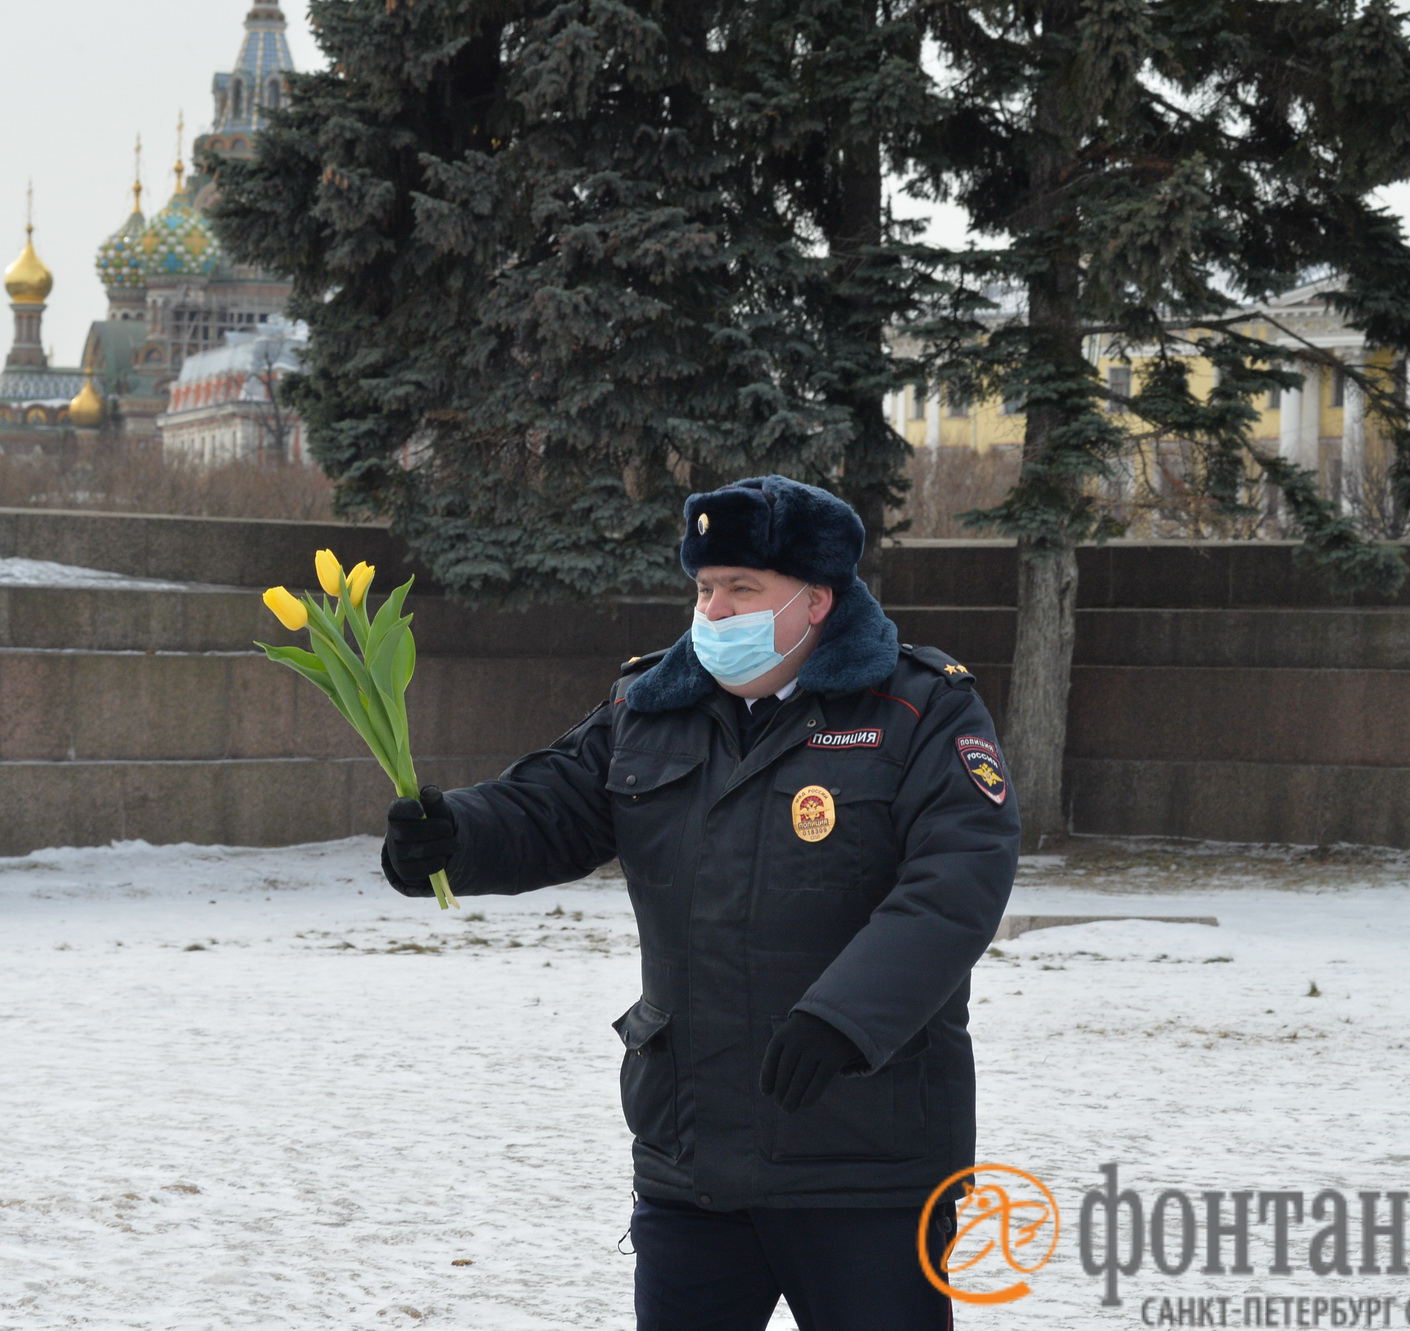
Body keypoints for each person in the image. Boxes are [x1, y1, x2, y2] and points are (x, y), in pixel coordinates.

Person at [382, 475, 1020, 1330]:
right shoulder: (652, 704)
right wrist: (450, 835)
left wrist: (844, 1016)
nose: (715, 611)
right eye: (705, 587)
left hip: (867, 1163)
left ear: (817, 599)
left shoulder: (921, 708)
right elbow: (552, 806)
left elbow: (957, 882)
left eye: (742, 589)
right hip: (693, 1163)